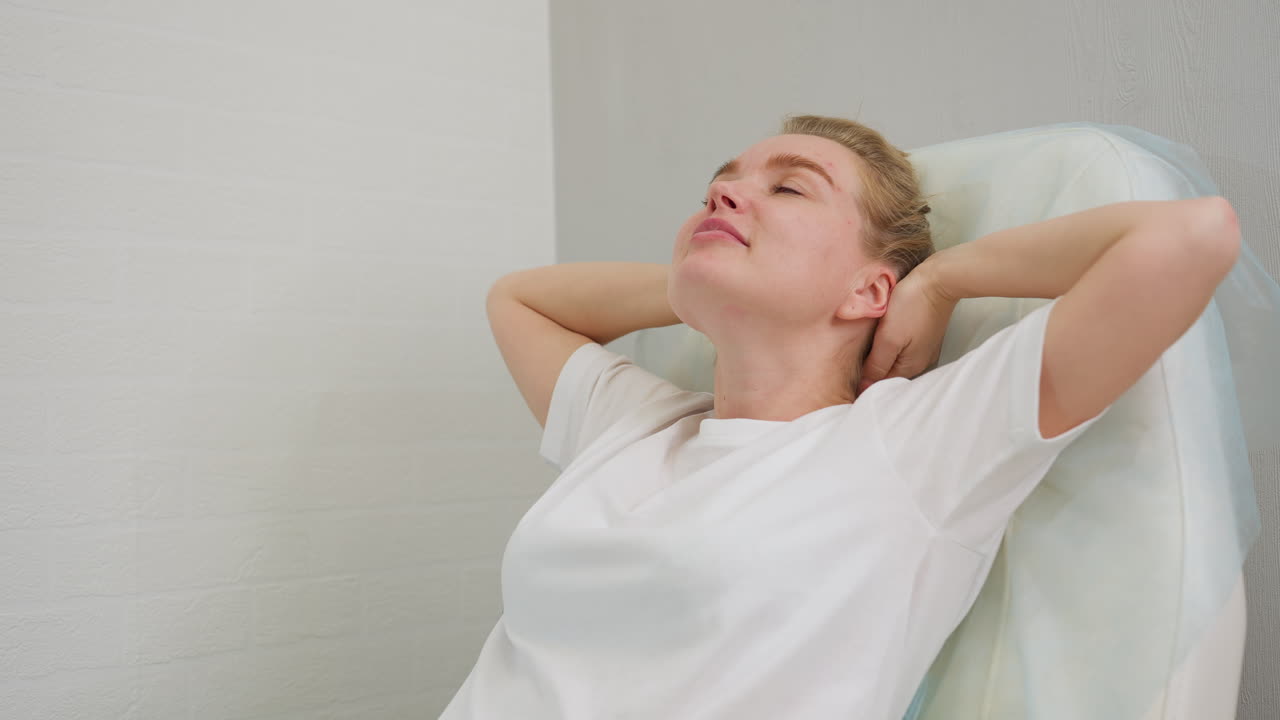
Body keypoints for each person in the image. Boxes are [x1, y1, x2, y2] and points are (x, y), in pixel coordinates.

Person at [443, 114, 1241, 719]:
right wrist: (700, 276)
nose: (725, 193)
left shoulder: (914, 446)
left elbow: (1193, 234)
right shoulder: (635, 424)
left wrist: (942, 282)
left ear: (869, 292)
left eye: (788, 187)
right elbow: (515, 298)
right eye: (718, 189)